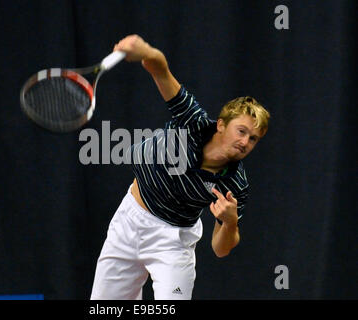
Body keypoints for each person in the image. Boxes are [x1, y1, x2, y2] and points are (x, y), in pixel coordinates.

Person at [90, 35, 270, 300]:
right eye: (241, 131)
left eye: (253, 139)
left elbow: (221, 249)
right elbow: (161, 70)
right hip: (130, 220)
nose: (245, 142)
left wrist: (230, 223)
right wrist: (146, 51)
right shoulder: (192, 121)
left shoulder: (235, 183)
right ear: (221, 125)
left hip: (173, 241)